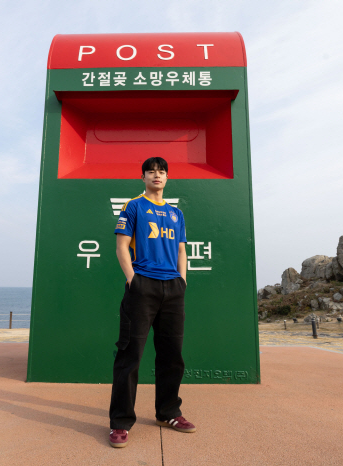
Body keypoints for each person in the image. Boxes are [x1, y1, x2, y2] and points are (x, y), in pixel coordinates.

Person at [108, 157, 196, 448]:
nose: (156, 176)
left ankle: (168, 413)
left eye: (161, 172)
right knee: (130, 356)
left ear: (167, 178)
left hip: (173, 288)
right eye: (151, 172)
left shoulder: (176, 214)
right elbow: (121, 246)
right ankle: (121, 423)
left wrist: (182, 280)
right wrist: (133, 279)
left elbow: (182, 250)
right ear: (143, 177)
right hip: (142, 286)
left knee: (172, 355)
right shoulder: (134, 206)